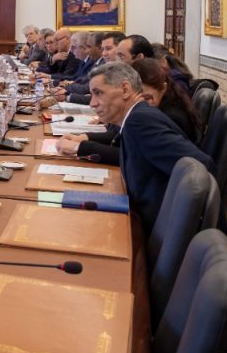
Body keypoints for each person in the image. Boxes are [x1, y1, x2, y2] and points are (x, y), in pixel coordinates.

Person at [86, 62, 212, 233]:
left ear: (125, 90)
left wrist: (180, 227)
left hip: (164, 230)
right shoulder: (136, 118)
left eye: (98, 93)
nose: (92, 103)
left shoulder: (140, 121)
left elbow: (201, 167)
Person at [131, 58, 202, 143]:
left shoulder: (171, 119)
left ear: (163, 88)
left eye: (147, 98)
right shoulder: (172, 99)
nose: (140, 104)